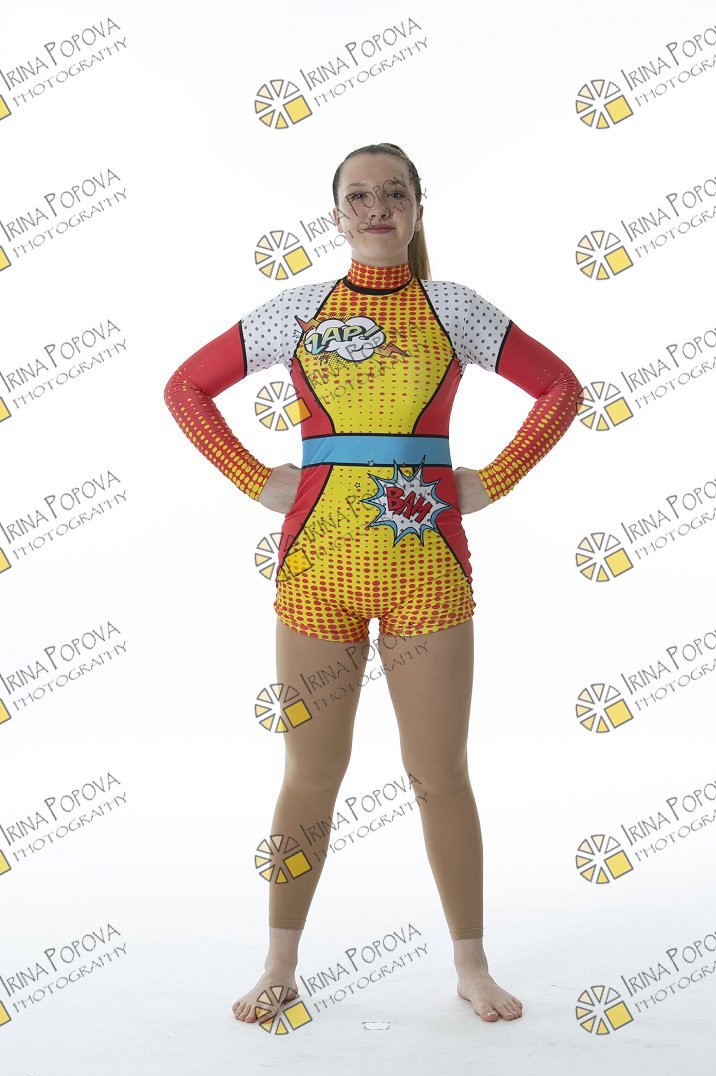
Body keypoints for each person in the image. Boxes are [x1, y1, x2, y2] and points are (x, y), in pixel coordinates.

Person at [163, 142, 582, 1024]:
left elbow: (559, 389)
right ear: (337, 215)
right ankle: (279, 965)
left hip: (429, 574)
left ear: (419, 208)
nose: (378, 206)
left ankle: (471, 966)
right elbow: (186, 389)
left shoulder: (452, 308)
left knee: (440, 773)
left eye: (395, 192)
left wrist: (495, 480)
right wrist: (254, 479)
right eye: (360, 195)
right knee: (310, 774)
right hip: (317, 572)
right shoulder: (298, 311)